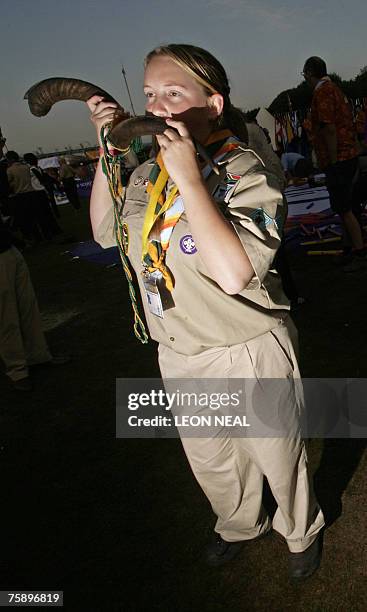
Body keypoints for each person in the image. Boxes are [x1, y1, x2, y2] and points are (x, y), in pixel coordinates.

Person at [87, 44, 325, 579]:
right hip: (181, 351)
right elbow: (105, 233)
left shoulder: (245, 169)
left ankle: (299, 529)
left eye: (174, 92)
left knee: (278, 456)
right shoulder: (147, 174)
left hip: (246, 345)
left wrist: (191, 181)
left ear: (212, 104)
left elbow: (237, 273)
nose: (159, 106)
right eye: (150, 94)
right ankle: (239, 523)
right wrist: (108, 155)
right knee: (213, 460)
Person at [302, 56, 366, 272]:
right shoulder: (335, 90)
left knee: (345, 207)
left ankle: (359, 251)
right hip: (348, 155)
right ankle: (349, 248)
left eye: (304, 74)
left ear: (310, 72)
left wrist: (331, 160)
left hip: (339, 158)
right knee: (345, 207)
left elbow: (329, 128)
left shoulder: (323, 92)